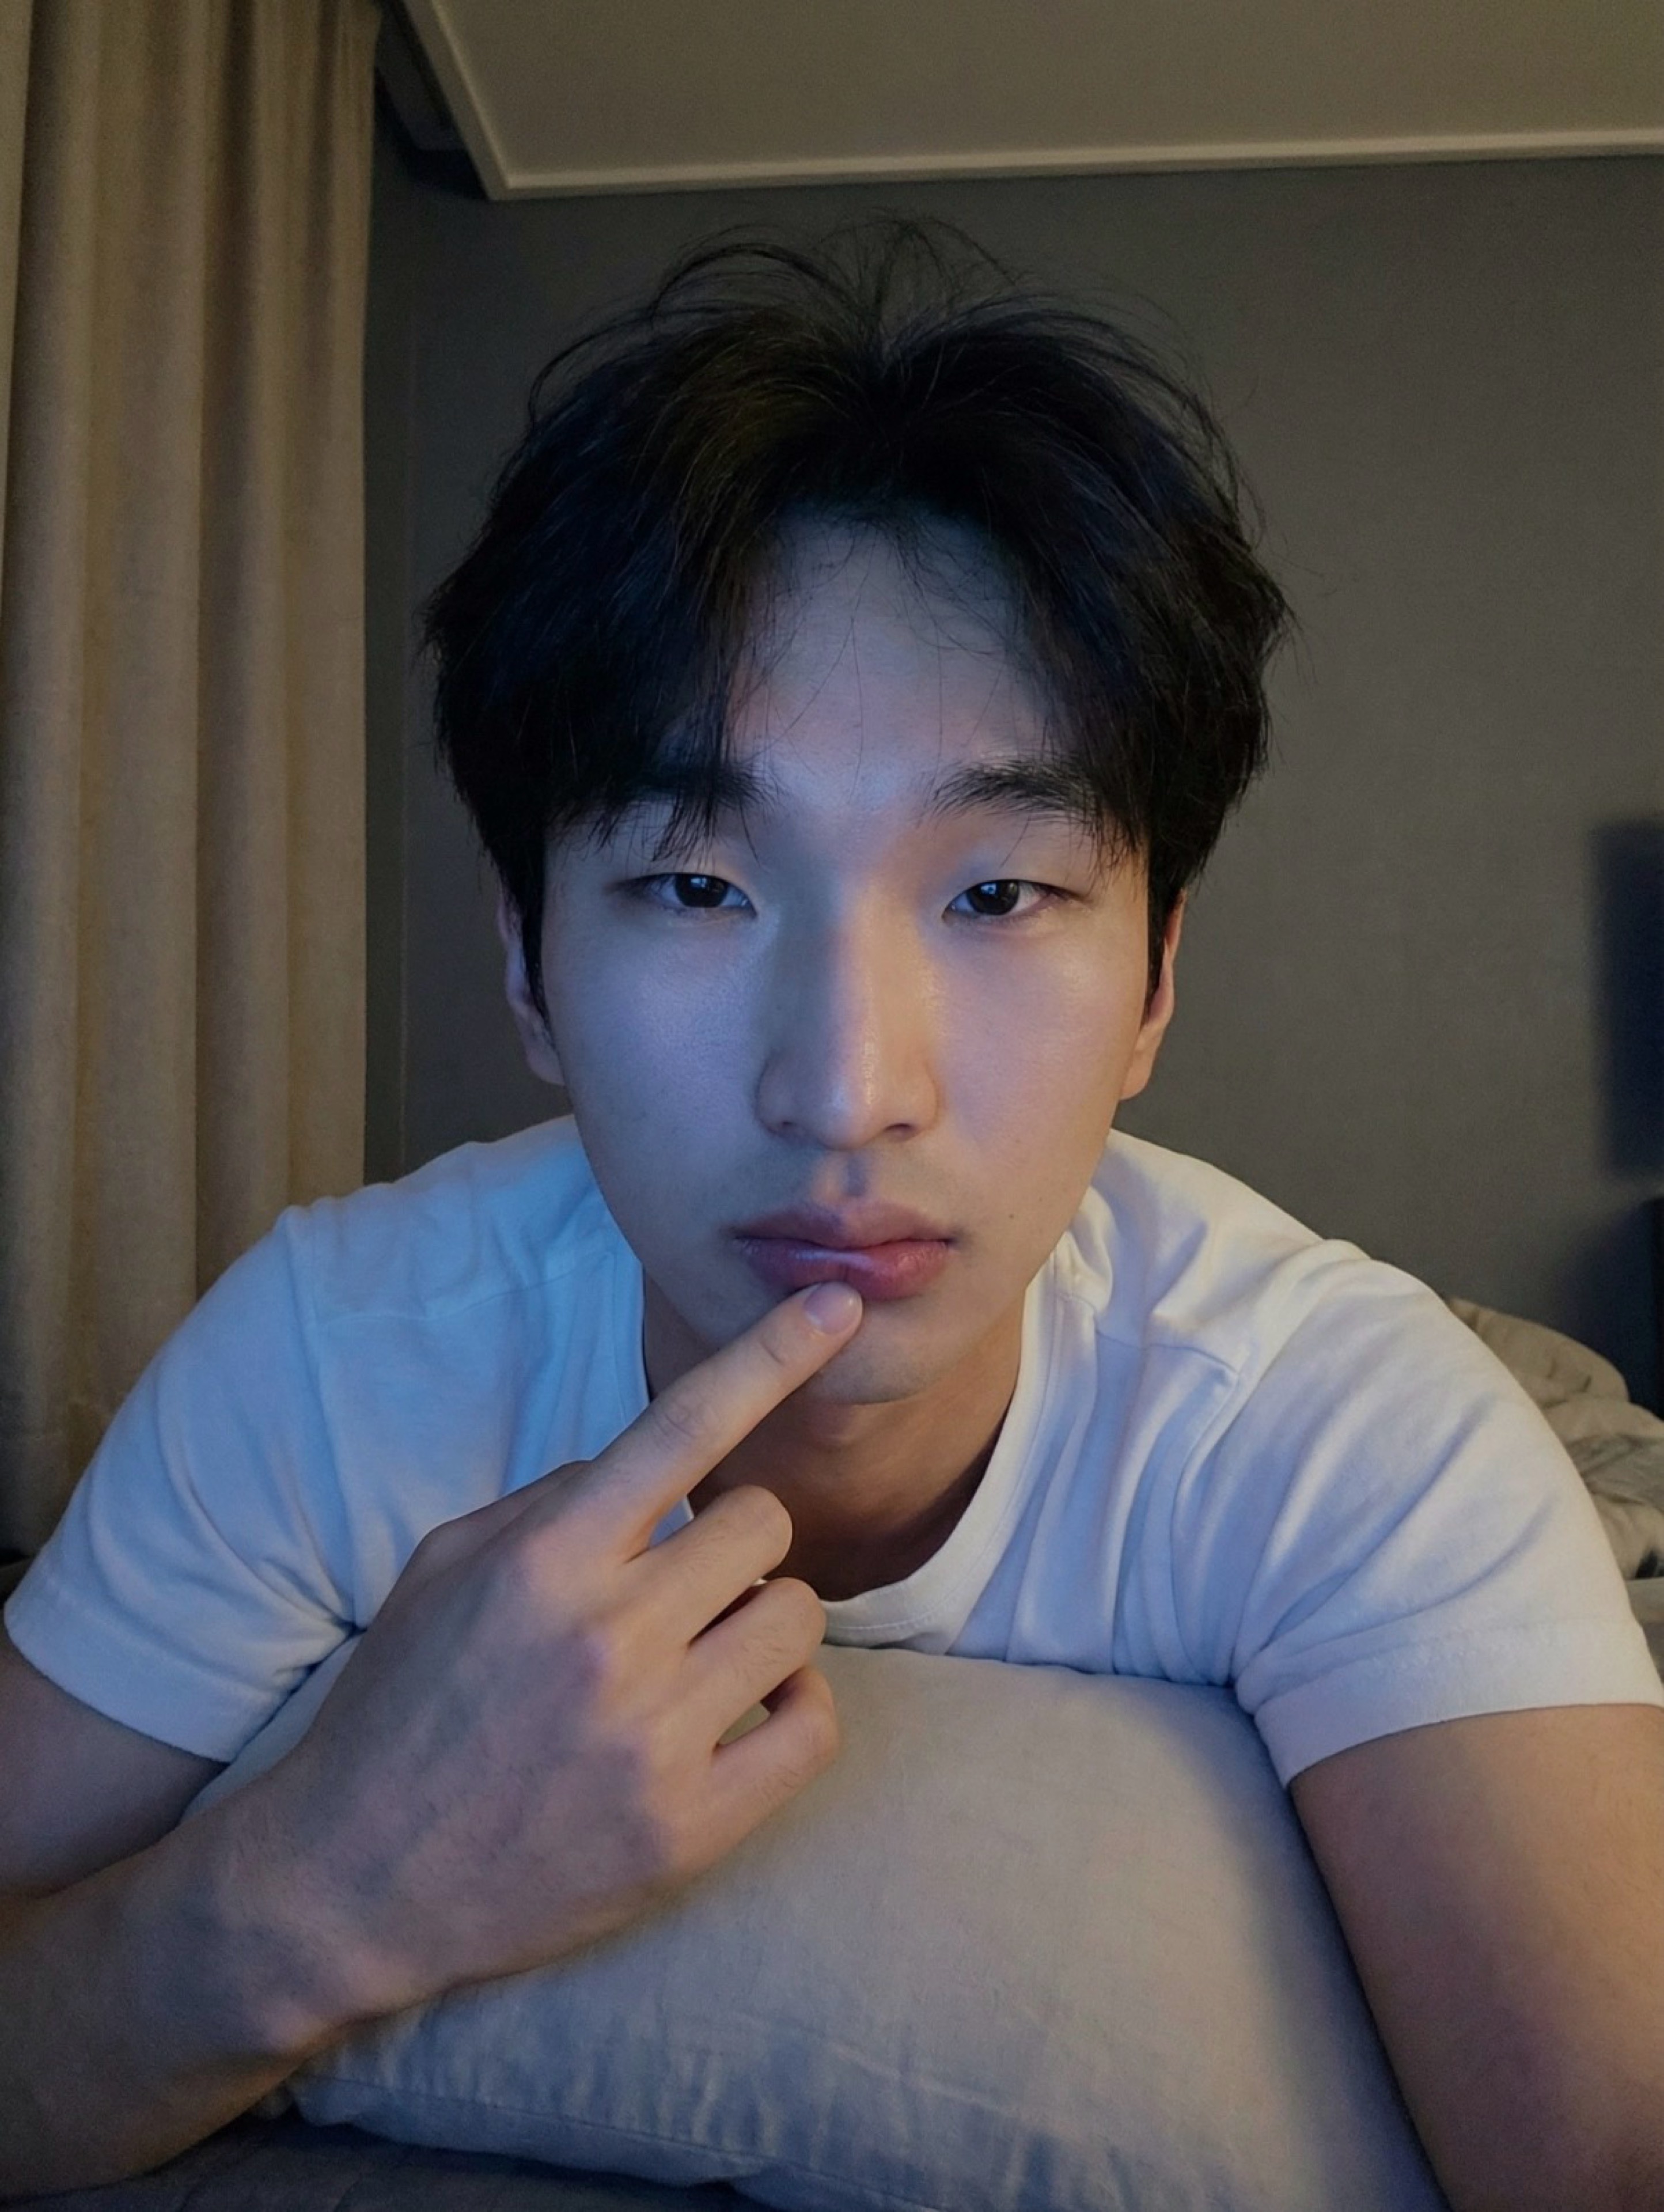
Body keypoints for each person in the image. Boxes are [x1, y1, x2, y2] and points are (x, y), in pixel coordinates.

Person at [1, 221, 1660, 2209]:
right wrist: (319, 1891)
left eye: (998, 893)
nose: (847, 1087)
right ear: (529, 970)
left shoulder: (1341, 1428)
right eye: (696, 887)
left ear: (1152, 981)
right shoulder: (333, 1359)